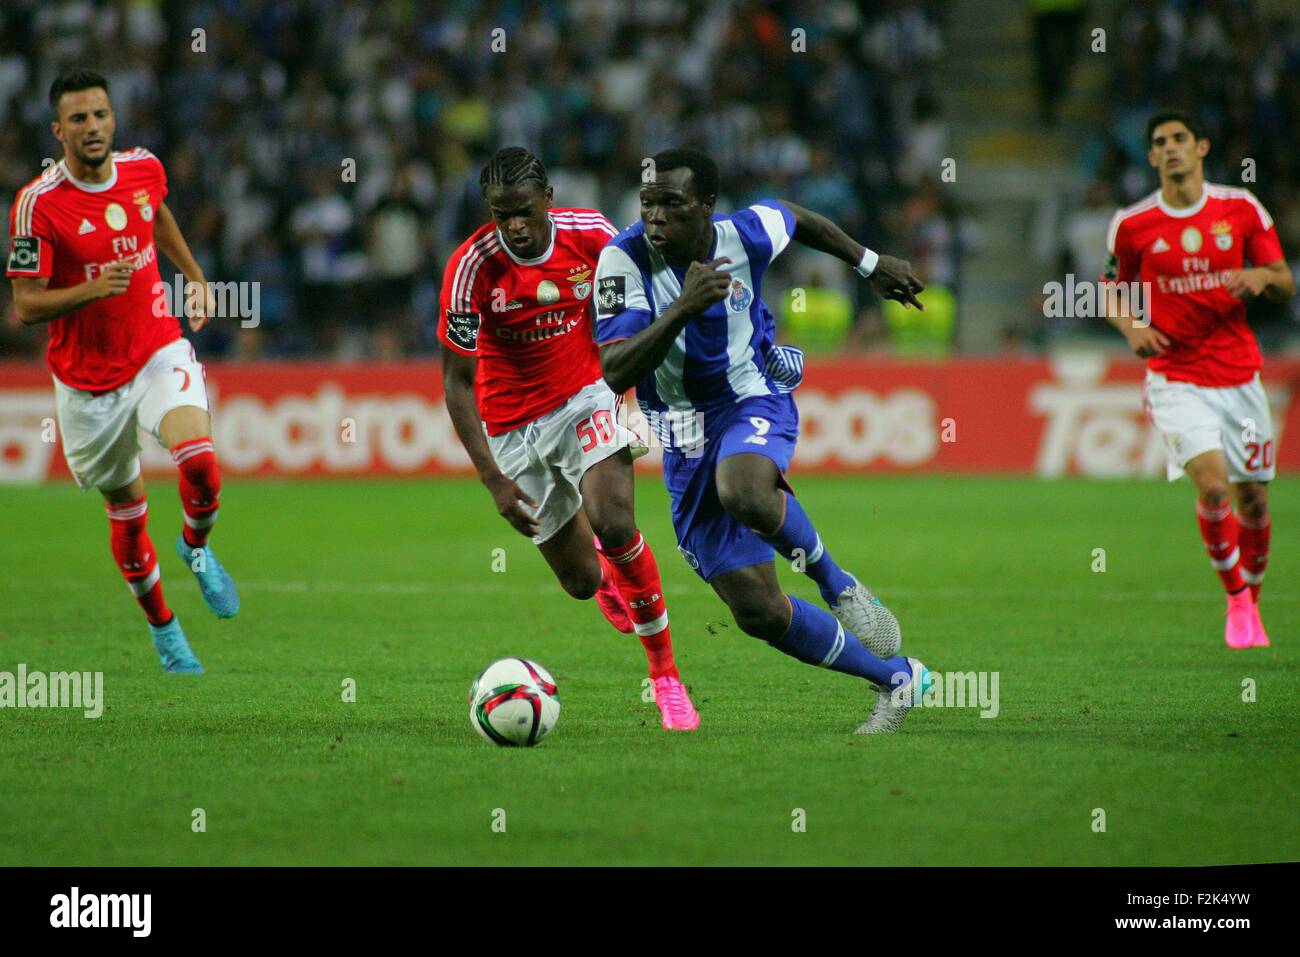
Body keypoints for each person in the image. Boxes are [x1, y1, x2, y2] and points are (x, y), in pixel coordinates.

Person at [594, 147, 931, 734]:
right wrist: (683, 307)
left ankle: (836, 583)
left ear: (706, 207)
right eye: (648, 203)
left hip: (752, 395)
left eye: (671, 204)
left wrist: (869, 263)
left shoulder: (745, 233)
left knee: (745, 490)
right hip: (682, 435)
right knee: (756, 611)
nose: (655, 218)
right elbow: (616, 368)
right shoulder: (621, 261)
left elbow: (796, 217)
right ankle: (898, 678)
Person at [439, 147, 699, 730]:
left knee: (615, 521)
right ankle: (607, 576)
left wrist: (639, 394)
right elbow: (457, 383)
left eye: (525, 211)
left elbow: (635, 315)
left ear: (548, 199)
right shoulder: (469, 270)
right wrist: (494, 482)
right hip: (509, 429)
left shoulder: (596, 237)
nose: (515, 227)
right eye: (501, 215)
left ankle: (666, 679)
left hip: (585, 397)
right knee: (581, 583)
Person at [7, 68, 238, 673]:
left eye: (101, 115)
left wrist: (192, 274)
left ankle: (195, 547)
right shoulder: (37, 206)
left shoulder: (144, 168)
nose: (93, 127)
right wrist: (88, 289)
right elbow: (26, 305)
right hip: (89, 385)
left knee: (202, 465)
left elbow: (155, 214)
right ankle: (164, 628)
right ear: (58, 130)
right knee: (129, 516)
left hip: (157, 348)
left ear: (114, 118)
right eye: (78, 119)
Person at [1101, 111, 1294, 648]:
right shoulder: (1133, 223)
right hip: (1175, 376)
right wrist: (1132, 326)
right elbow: (1110, 287)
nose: (1170, 149)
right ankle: (1235, 599)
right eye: (1160, 143)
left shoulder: (1241, 209)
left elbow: (1284, 282)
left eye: (1180, 139)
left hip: (1239, 377)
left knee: (1252, 497)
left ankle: (1251, 599)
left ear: (1201, 147)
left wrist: (1259, 276)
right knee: (1213, 485)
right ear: (1152, 157)